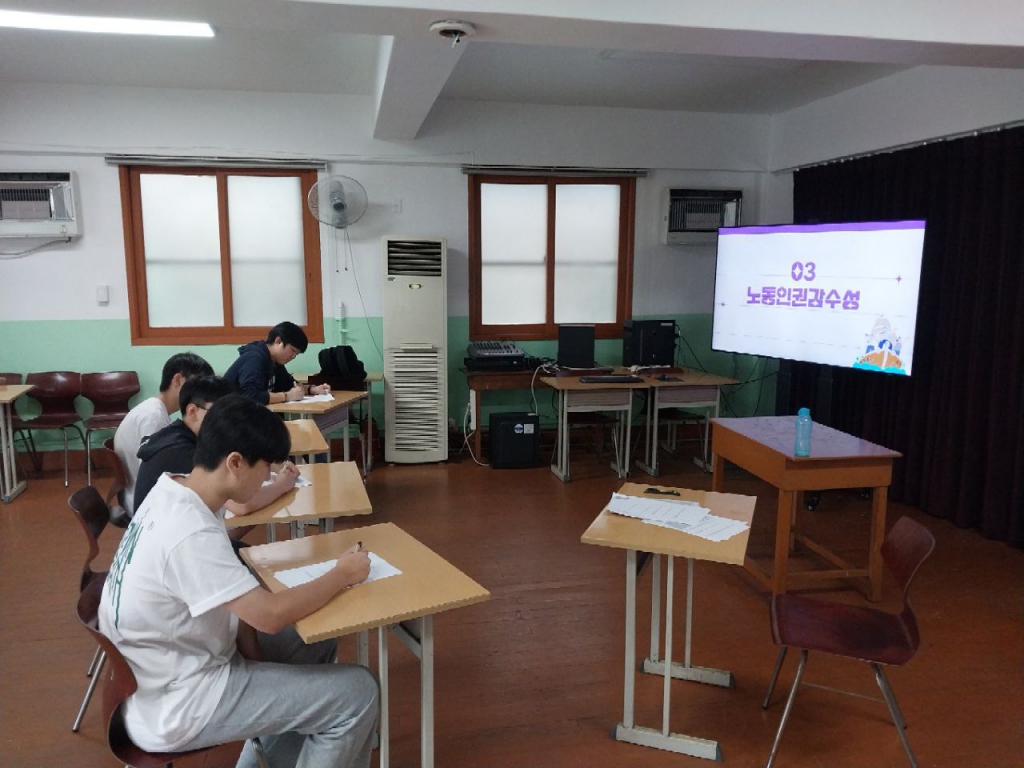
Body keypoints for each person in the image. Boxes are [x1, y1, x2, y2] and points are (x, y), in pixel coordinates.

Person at [99, 395, 378, 768]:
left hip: (172, 665)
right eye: (266, 468)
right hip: (180, 699)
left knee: (315, 642)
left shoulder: (176, 490)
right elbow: (269, 615)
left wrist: (259, 660)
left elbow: (241, 607)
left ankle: (267, 759)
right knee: (358, 694)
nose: (268, 477)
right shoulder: (188, 531)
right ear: (235, 462)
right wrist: (342, 574)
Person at [132, 375, 300, 516]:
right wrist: (283, 485)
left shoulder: (182, 434)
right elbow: (242, 506)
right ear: (192, 411)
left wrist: (272, 463)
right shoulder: (180, 450)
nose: (227, 420)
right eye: (219, 412)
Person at [113, 352, 213, 516]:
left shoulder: (154, 410)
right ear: (178, 380)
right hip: (145, 504)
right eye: (197, 386)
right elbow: (155, 472)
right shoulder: (153, 416)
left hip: (137, 494)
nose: (200, 394)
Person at [224, 321, 330, 405]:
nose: (293, 357)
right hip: (229, 418)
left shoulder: (275, 361)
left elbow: (289, 385)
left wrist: (313, 389)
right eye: (292, 350)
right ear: (278, 341)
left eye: (296, 354)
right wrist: (287, 396)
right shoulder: (254, 358)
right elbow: (251, 396)